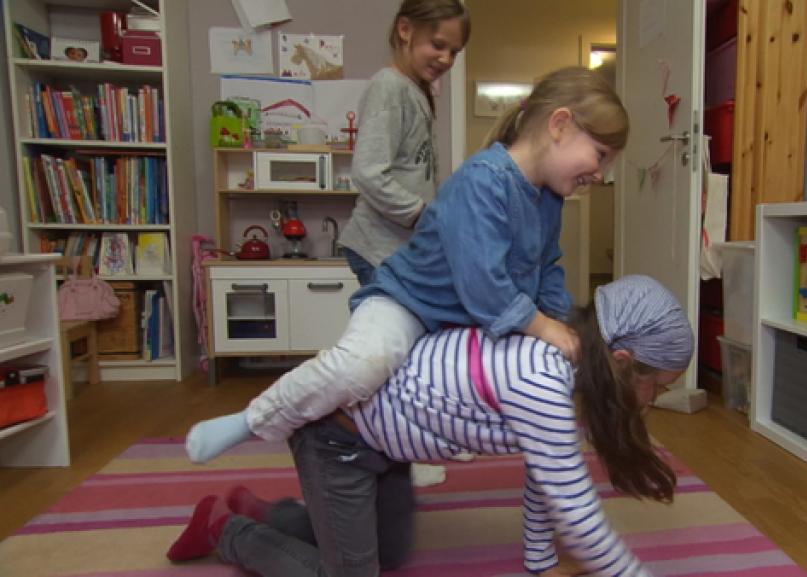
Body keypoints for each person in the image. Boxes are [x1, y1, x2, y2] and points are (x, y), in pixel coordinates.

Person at [185, 64, 629, 469]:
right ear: (560, 125)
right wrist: (545, 328)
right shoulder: (484, 182)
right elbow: (484, 286)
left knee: (488, 379)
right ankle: (253, 419)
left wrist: (560, 320)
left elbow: (546, 264)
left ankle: (403, 446)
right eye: (600, 155)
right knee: (362, 365)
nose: (602, 174)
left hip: (462, 320)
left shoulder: (549, 198)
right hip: (409, 303)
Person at [167, 274, 694, 577]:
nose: (657, 399)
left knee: (390, 554)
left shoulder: (572, 373)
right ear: (623, 359)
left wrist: (538, 562)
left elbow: (546, 478)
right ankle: (225, 528)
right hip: (337, 438)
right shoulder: (544, 378)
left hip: (386, 449)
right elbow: (581, 517)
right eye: (661, 386)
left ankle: (266, 512)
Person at [338, 0, 470, 286]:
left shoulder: (415, 92)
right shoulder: (388, 87)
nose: (446, 59)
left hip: (398, 247)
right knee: (388, 325)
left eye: (454, 52)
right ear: (405, 29)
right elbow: (368, 173)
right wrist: (421, 214)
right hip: (376, 246)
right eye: (438, 45)